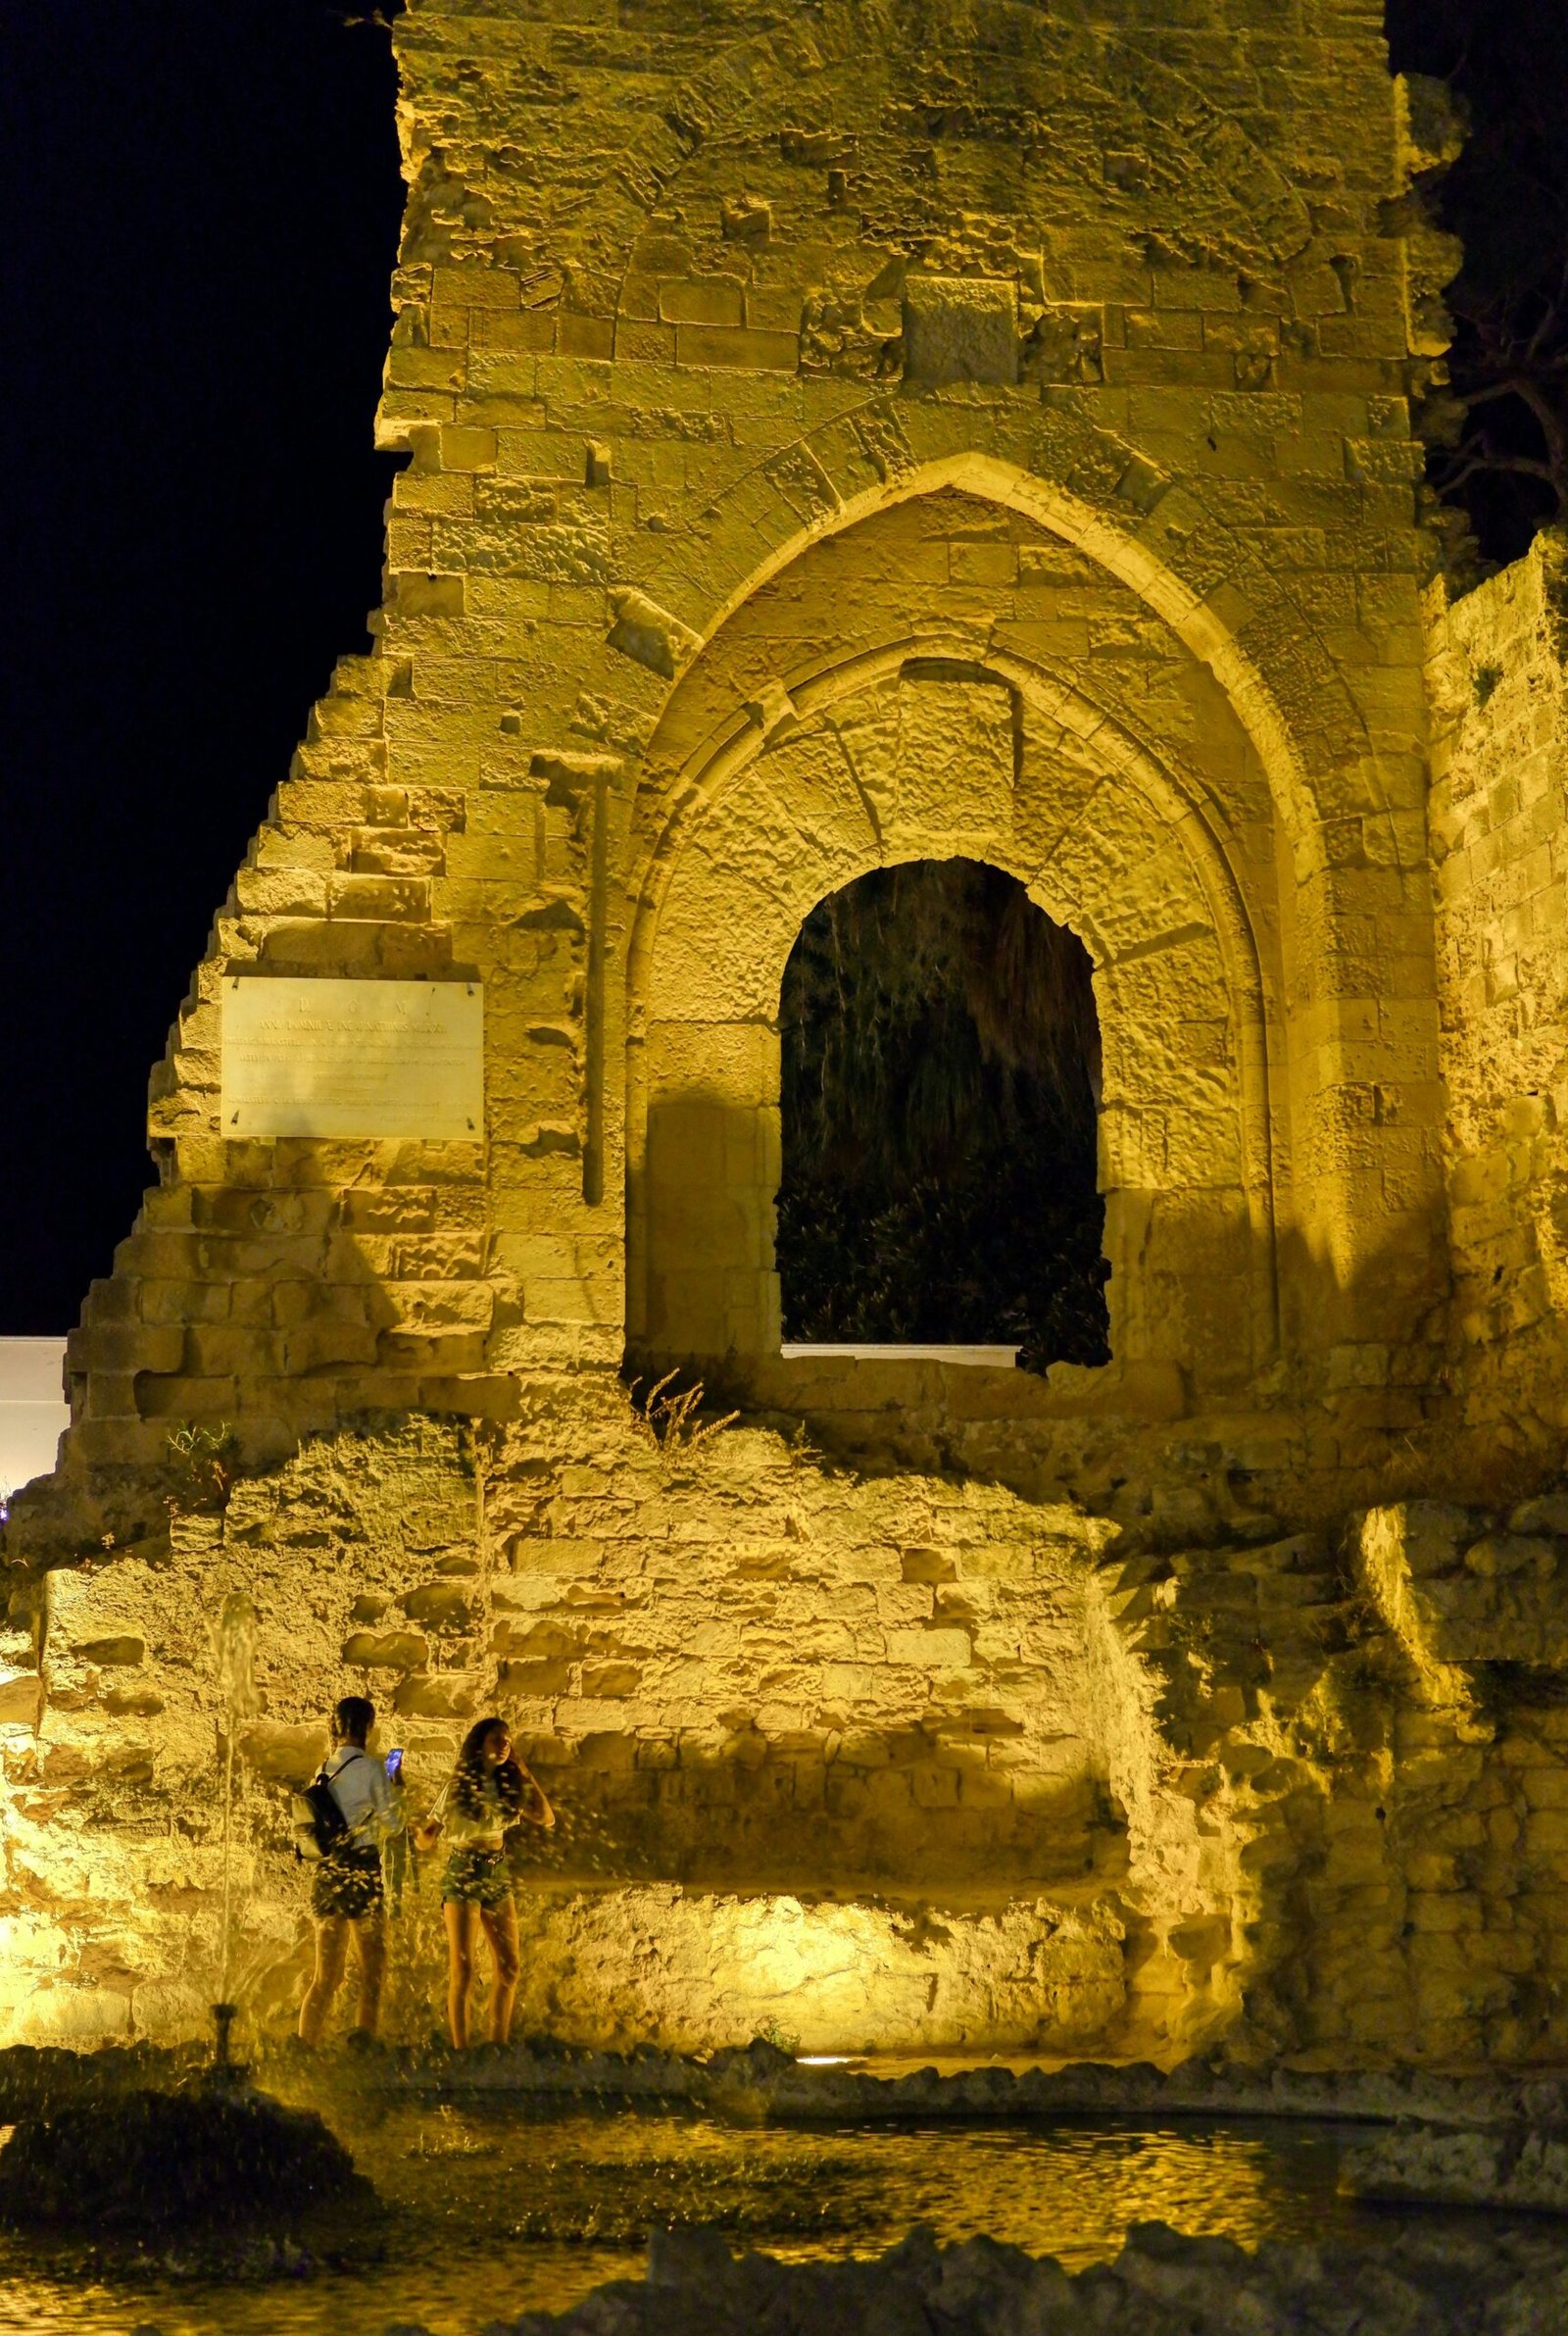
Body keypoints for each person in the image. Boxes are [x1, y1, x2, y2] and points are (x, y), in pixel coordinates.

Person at [413, 1715, 554, 2049]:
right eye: (497, 1739)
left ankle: (497, 2046)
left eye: (508, 1740)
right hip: (462, 1871)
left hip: (497, 1873)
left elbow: (547, 1818)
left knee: (510, 1969)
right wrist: (418, 1833)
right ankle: (461, 2050)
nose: (505, 1745)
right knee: (463, 1969)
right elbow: (427, 1837)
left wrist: (523, 1768)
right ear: (480, 1745)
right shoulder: (457, 1788)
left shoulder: (509, 1788)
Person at [297, 1694, 404, 2049]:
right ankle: (363, 2044)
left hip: (327, 1874)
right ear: (369, 1728)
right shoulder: (375, 1769)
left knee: (325, 1975)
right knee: (372, 1966)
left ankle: (304, 2045)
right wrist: (394, 1784)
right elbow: (395, 1823)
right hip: (361, 1871)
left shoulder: (323, 1768)